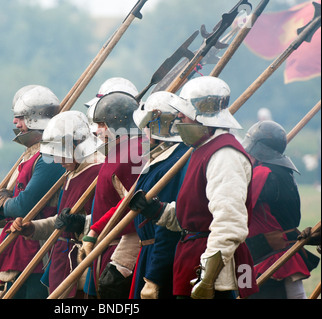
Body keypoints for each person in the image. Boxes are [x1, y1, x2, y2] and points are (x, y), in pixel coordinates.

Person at [134, 76, 258, 299]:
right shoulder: (202, 149)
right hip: (192, 259)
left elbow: (229, 222)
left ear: (201, 117)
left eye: (183, 115)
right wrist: (159, 211)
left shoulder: (225, 154)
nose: (179, 120)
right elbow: (194, 216)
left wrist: (207, 277)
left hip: (212, 269)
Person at [0, 85, 65, 299]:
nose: (15, 123)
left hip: (40, 250)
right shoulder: (33, 153)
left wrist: (3, 203)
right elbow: (8, 196)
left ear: (36, 118)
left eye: (20, 117)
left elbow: (22, 205)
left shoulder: (50, 157)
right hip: (20, 246)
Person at [10, 110, 105, 298]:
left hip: (85, 261)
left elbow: (110, 218)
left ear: (76, 146)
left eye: (61, 153)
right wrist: (33, 228)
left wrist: (82, 223)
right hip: (63, 263)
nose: (57, 160)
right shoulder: (72, 171)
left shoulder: (98, 171)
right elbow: (62, 220)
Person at [79, 90, 147, 298]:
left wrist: (96, 231)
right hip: (107, 239)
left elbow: (131, 205)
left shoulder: (134, 151)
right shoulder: (119, 148)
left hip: (121, 241)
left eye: (102, 124)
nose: (97, 131)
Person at [242, 120, 319, 299]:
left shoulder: (263, 173)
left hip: (270, 255)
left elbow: (240, 205)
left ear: (257, 151)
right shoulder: (283, 171)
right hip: (276, 251)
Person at [127, 91, 189, 299]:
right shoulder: (162, 157)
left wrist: (154, 277)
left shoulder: (174, 164)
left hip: (161, 258)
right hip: (148, 254)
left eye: (147, 126)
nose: (144, 132)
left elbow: (167, 229)